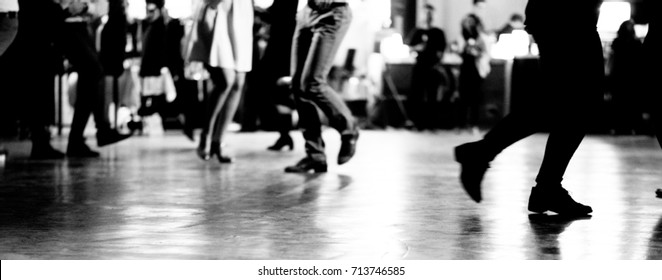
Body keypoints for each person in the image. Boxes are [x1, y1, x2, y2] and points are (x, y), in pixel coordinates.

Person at [453, 0, 605, 215]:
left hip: (559, 14)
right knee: (578, 101)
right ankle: (544, 184)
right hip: (569, 16)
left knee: (563, 101)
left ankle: (486, 155)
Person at [284, 0, 359, 173]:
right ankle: (315, 155)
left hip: (332, 10)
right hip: (306, 12)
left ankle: (349, 129)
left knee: (312, 83)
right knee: (297, 87)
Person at [60, 0, 132, 157]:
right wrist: (65, 8)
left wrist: (85, 7)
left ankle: (81, 138)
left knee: (91, 76)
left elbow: (101, 7)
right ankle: (98, 131)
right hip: (65, 24)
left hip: (81, 26)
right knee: (93, 72)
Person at [187, 0, 254, 163]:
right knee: (225, 81)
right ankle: (206, 135)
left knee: (238, 83)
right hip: (218, 10)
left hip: (242, 11)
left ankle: (218, 141)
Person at [407, 3, 448, 131]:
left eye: (430, 13)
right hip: (419, 66)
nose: (428, 15)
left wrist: (437, 61)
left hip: (432, 67)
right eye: (426, 12)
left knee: (432, 96)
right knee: (417, 95)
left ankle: (431, 123)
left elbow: (441, 51)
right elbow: (409, 48)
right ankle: (417, 123)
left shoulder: (438, 32)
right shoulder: (417, 32)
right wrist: (416, 48)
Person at [608, 19, 644, 135]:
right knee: (630, 103)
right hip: (631, 77)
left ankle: (618, 127)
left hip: (620, 77)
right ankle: (631, 127)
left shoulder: (617, 43)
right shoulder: (636, 43)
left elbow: (613, 62)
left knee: (619, 103)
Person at [458, 12, 489, 134]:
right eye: (467, 21)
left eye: (471, 21)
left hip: (476, 69)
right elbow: (460, 50)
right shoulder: (462, 36)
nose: (469, 24)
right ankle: (461, 124)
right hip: (465, 68)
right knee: (463, 97)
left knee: (475, 97)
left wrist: (477, 51)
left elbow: (485, 52)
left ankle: (474, 124)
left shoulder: (480, 37)